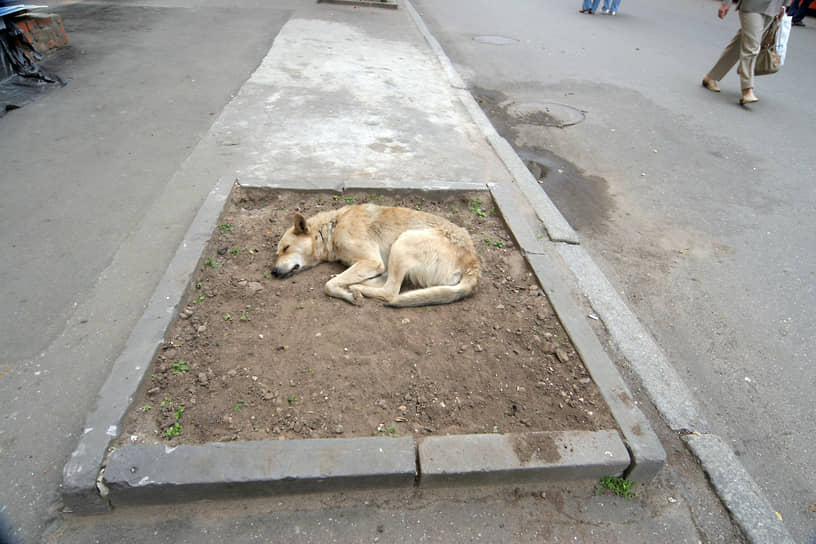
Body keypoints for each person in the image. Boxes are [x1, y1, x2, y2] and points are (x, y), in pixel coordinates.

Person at [702, 0, 790, 105]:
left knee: (741, 43)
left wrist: (784, 5)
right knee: (752, 47)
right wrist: (727, 3)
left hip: (773, 7)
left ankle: (711, 77)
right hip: (752, 5)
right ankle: (747, 89)